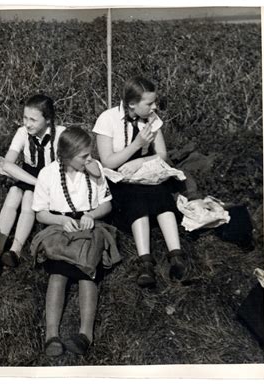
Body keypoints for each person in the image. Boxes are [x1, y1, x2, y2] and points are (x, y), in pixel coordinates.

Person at [30, 127, 120, 357]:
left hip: (89, 225)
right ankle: (52, 334)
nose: (89, 159)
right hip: (59, 226)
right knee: (58, 273)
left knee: (87, 270)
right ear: (66, 156)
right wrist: (60, 220)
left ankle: (85, 334)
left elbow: (106, 204)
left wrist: (91, 215)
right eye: (84, 157)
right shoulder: (48, 174)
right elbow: (40, 213)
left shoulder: (95, 170)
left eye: (90, 154)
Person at [93, 75, 188, 288]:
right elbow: (107, 162)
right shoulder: (107, 119)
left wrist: (141, 161)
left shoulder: (151, 118)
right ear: (132, 104)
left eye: (154, 102)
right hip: (119, 176)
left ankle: (176, 255)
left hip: (144, 170)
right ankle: (145, 262)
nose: (154, 106)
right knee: (137, 202)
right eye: (149, 103)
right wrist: (137, 145)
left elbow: (162, 154)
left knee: (162, 197)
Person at [0, 94, 66, 268]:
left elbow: (64, 170)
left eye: (33, 120)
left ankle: (15, 249)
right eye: (25, 118)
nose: (27, 123)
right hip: (30, 176)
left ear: (48, 120)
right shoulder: (22, 132)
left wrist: (42, 186)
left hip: (51, 179)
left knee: (28, 197)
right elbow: (7, 163)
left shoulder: (62, 134)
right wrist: (35, 182)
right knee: (13, 192)